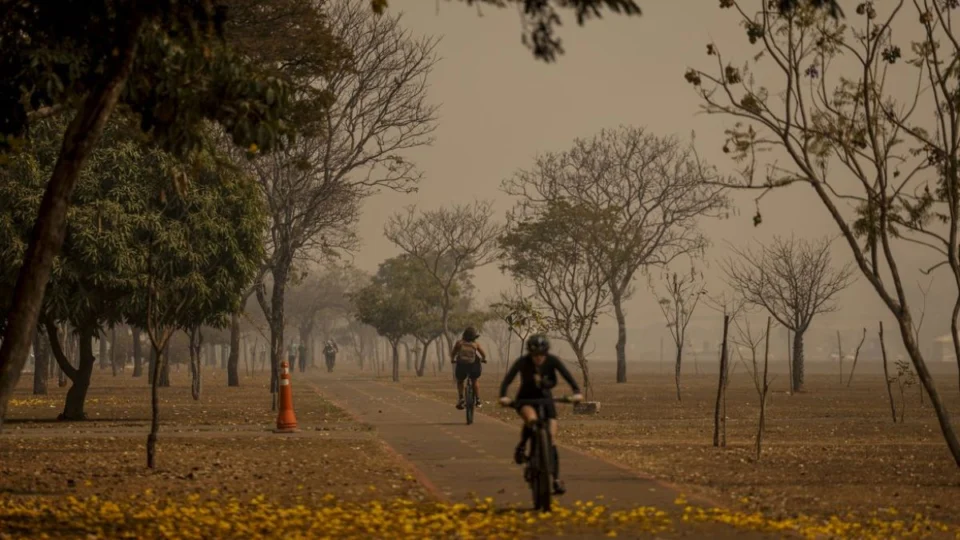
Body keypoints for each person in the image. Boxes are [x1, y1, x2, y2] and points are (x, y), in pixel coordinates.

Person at [498, 334, 583, 495]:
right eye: (535, 355)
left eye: (542, 355)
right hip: (526, 399)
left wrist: (577, 393)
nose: (538, 358)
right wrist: (503, 396)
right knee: (532, 420)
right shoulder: (522, 362)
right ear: (530, 353)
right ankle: (522, 445)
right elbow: (507, 380)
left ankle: (556, 479)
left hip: (546, 400)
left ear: (546, 353)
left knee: (551, 439)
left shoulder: (553, 361)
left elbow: (568, 378)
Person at [451, 326, 487, 409]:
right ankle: (478, 400)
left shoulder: (459, 343)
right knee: (475, 380)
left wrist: (452, 359)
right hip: (473, 367)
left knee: (460, 381)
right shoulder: (475, 344)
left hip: (461, 366)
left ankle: (461, 398)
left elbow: (453, 353)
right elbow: (483, 354)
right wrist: (484, 359)